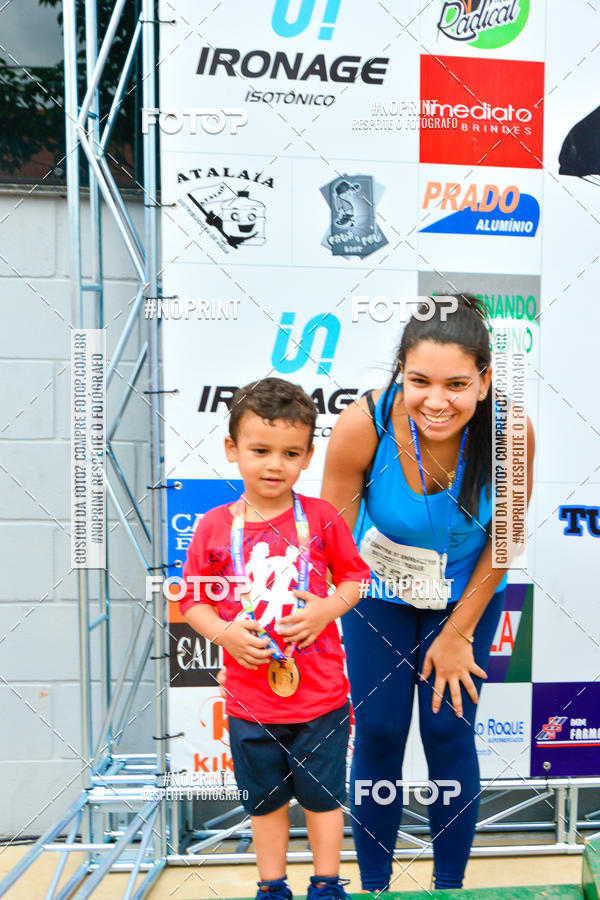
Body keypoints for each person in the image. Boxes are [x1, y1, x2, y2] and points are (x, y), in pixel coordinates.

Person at [321, 296, 535, 891]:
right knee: (382, 732)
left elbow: (505, 540)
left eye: (457, 384)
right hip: (378, 593)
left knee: (447, 728)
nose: (436, 401)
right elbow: (335, 538)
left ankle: (448, 887)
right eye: (419, 381)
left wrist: (457, 631)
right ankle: (373, 886)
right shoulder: (364, 424)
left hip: (466, 593)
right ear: (400, 375)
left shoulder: (511, 432)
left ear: (484, 380)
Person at [180, 377, 370, 900]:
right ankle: (271, 887)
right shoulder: (214, 527)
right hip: (249, 701)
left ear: (308, 456)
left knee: (324, 799)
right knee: (263, 804)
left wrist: (326, 610)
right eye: (259, 450)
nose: (273, 464)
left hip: (321, 698)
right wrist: (226, 634)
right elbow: (191, 602)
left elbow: (356, 580)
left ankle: (328, 885)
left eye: (290, 453)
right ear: (231, 450)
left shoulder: (323, 518)